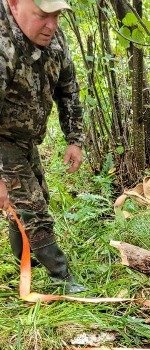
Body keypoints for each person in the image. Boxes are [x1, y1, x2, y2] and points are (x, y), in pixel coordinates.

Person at [0, 0, 85, 293]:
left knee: (33, 199)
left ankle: (26, 262)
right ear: (14, 4)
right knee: (33, 207)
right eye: (42, 16)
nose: (51, 25)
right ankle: (62, 278)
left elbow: (68, 89)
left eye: (57, 15)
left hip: (25, 136)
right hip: (2, 138)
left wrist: (75, 139)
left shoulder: (53, 36)